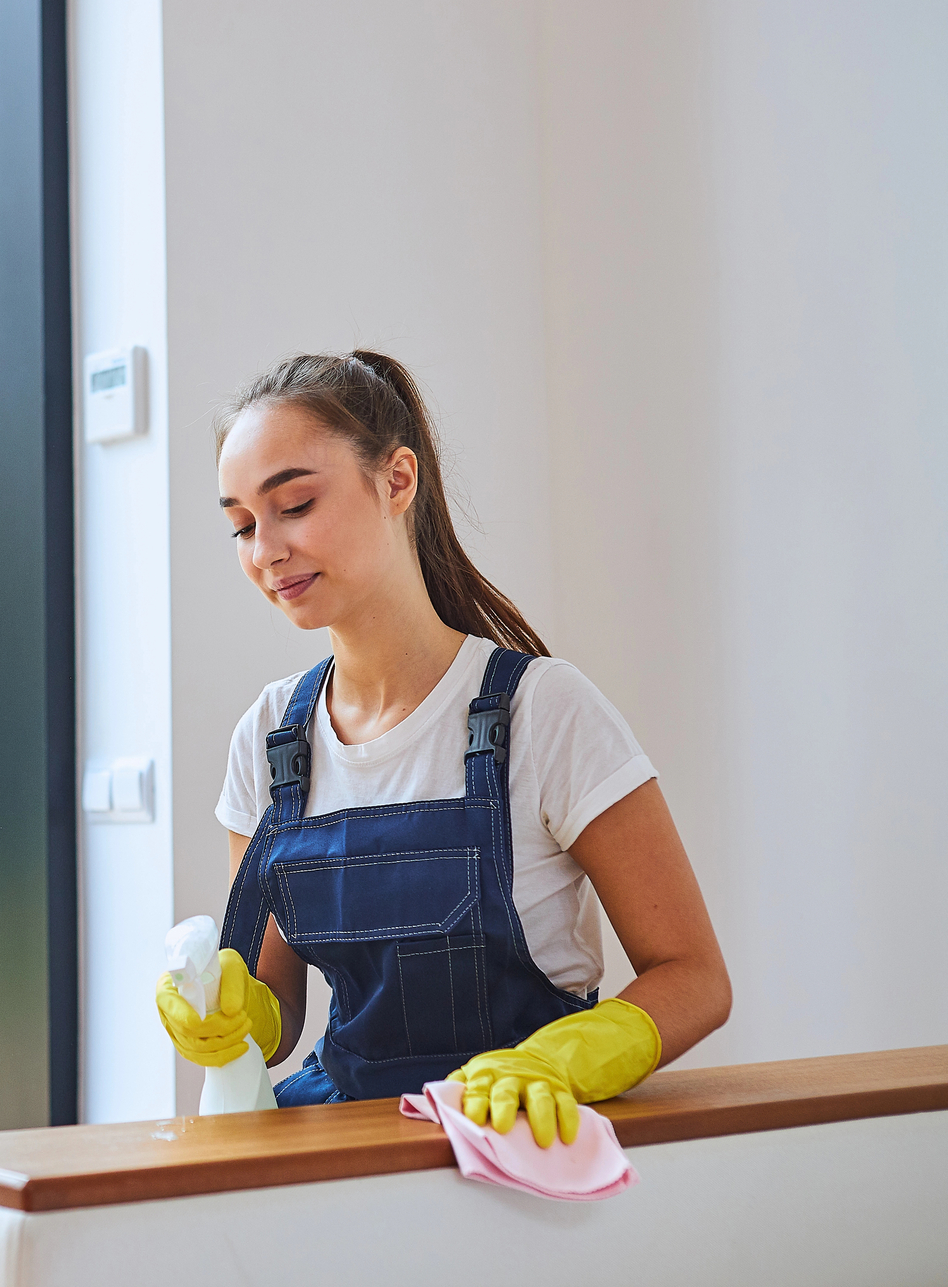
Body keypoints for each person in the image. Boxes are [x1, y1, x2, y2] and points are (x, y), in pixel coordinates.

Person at [156, 351, 732, 1147]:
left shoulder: (543, 709)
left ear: (397, 481)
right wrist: (231, 1013)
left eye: (293, 504)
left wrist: (568, 1058)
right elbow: (278, 1013)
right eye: (242, 525)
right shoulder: (270, 739)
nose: (265, 550)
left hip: (525, 1154)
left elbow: (696, 977)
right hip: (345, 1147)